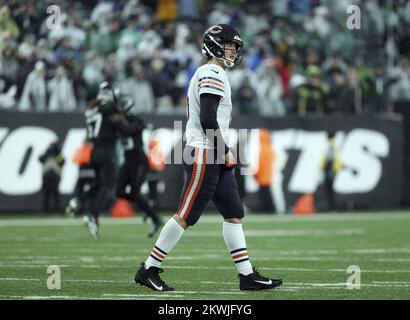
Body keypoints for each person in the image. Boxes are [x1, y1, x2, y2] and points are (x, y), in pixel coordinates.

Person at [134, 24, 283, 291]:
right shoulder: (211, 71)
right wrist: (223, 148)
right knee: (186, 214)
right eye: (229, 45)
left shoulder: (215, 72)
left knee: (234, 213)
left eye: (235, 47)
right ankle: (148, 268)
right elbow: (206, 117)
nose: (233, 51)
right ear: (214, 45)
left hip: (211, 149)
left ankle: (247, 275)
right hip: (203, 150)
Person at [83, 81, 142, 240]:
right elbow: (125, 130)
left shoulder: (93, 109)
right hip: (106, 152)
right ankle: (93, 216)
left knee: (99, 183)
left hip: (94, 151)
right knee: (108, 186)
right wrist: (139, 124)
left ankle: (80, 203)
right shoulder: (108, 111)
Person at [114, 95, 162, 238]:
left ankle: (155, 218)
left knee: (135, 192)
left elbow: (127, 130)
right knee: (119, 191)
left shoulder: (137, 120)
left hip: (139, 161)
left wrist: (118, 120)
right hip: (128, 161)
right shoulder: (122, 121)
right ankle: (147, 208)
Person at [38, 141, 65, 214]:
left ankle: (55, 210)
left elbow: (62, 162)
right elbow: (40, 159)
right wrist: (50, 154)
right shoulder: (48, 155)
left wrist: (54, 154)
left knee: (53, 194)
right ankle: (46, 210)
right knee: (47, 194)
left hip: (53, 176)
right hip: (48, 176)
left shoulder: (57, 155)